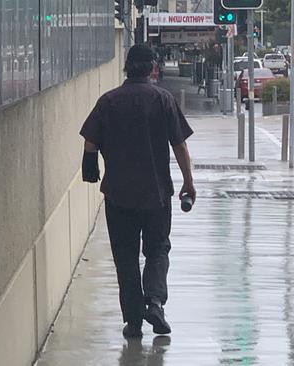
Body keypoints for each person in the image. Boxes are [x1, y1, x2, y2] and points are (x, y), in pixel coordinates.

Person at [79, 44, 195, 339]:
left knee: (126, 258)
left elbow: (90, 141)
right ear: (153, 67)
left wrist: (90, 168)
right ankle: (154, 302)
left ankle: (133, 321)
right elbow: (179, 144)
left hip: (118, 196)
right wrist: (188, 181)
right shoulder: (163, 99)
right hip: (156, 194)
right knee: (157, 250)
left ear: (126, 67)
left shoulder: (108, 101)